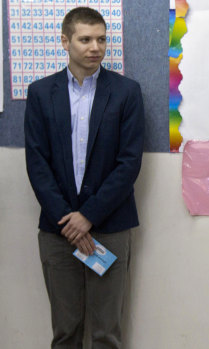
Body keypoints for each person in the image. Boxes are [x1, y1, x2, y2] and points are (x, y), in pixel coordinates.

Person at [24, 7, 144, 348]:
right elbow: (37, 163)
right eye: (85, 39)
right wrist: (69, 220)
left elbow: (128, 163)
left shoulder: (126, 93)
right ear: (65, 42)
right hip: (58, 229)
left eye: (102, 39)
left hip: (110, 226)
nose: (95, 47)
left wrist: (88, 215)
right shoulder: (41, 93)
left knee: (107, 332)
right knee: (66, 332)